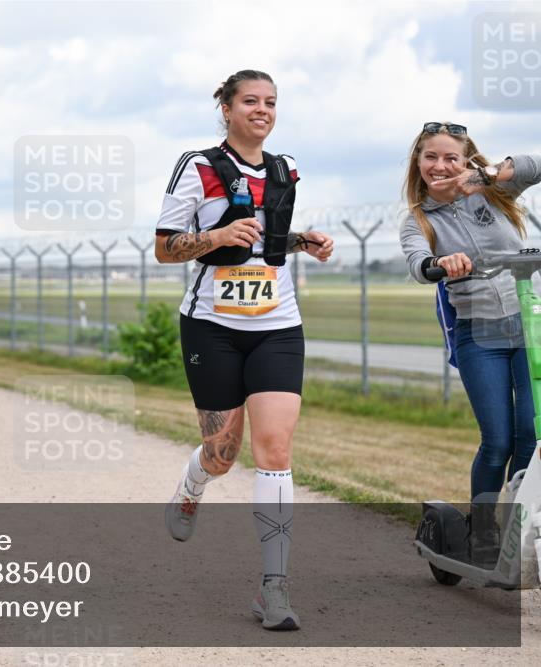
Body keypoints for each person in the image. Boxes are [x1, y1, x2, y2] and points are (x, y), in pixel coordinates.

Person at [154, 70, 333, 631]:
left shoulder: (285, 170)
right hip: (213, 327)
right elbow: (164, 247)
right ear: (226, 109)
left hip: (278, 325)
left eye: (271, 102)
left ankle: (273, 588)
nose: (262, 110)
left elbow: (269, 241)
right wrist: (214, 237)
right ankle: (194, 482)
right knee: (224, 453)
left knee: (274, 451)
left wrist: (305, 241)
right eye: (250, 101)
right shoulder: (198, 165)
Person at [399, 123, 541, 562]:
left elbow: (536, 166)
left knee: (531, 434)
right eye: (430, 158)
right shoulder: (418, 219)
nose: (440, 166)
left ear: (465, 161)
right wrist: (443, 262)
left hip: (528, 325)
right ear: (418, 164)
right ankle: (482, 531)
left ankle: (521, 526)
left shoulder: (495, 195)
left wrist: (490, 175)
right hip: (478, 331)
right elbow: (417, 264)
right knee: (498, 440)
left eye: (451, 158)